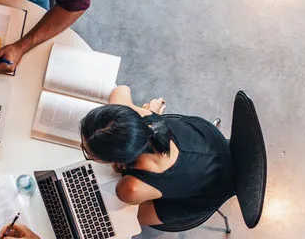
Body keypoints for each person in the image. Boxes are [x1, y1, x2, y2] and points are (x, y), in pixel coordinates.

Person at [80, 85, 235, 226]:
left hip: (209, 192)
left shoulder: (129, 189)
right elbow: (120, 90)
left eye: (88, 153)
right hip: (210, 141)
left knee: (125, 219)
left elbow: (130, 204)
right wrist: (148, 113)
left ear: (116, 159)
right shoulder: (142, 117)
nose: (82, 147)